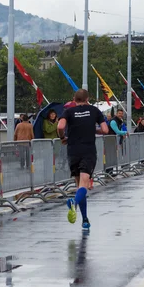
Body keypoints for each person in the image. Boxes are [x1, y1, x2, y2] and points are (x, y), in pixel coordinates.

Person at [57, 89, 109, 230]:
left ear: (74, 99)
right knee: (84, 186)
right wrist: (94, 130)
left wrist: (62, 137)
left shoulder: (68, 112)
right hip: (88, 151)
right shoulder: (94, 111)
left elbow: (60, 126)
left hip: (73, 151)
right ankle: (73, 201)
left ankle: (85, 219)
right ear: (87, 99)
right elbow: (105, 130)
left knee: (80, 186)